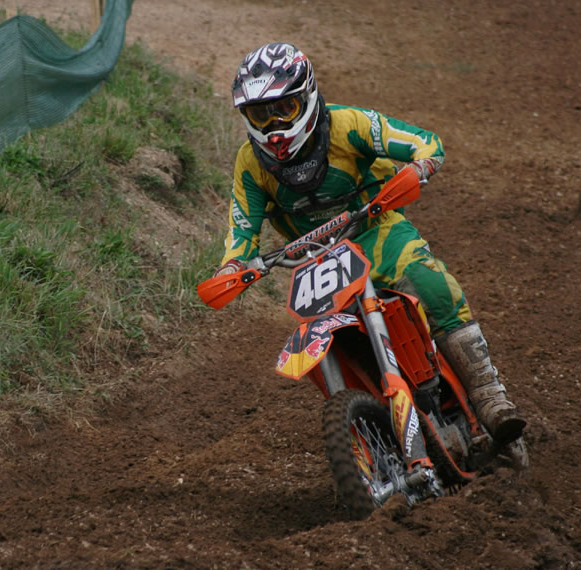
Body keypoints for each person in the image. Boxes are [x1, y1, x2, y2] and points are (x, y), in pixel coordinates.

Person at [215, 42, 526, 467]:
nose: (273, 125)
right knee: (317, 336)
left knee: (431, 284)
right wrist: (234, 266)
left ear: (307, 97)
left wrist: (418, 166)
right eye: (259, 115)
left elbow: (425, 143)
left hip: (378, 232)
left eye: (283, 109)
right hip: (317, 260)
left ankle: (491, 399)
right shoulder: (250, 164)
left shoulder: (349, 125)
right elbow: (242, 227)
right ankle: (366, 435)